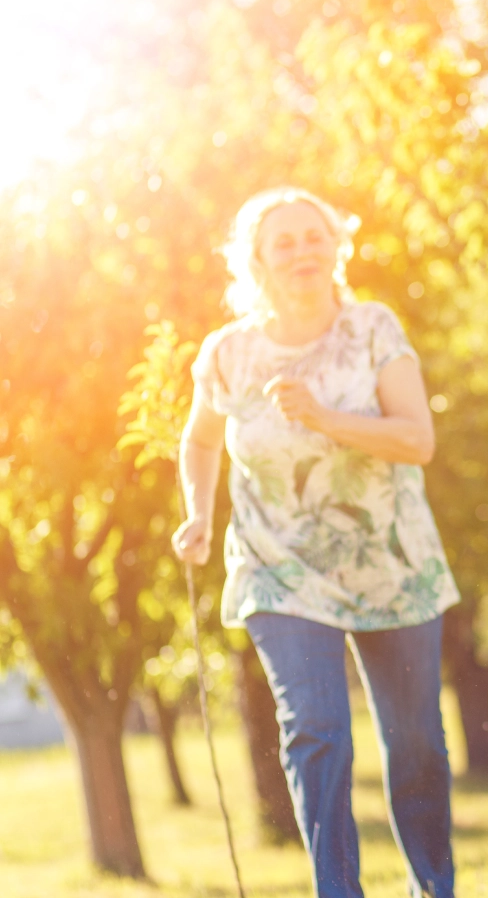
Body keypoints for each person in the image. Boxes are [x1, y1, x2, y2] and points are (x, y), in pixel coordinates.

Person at [172, 187, 459, 898]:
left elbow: (417, 439)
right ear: (257, 263)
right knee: (317, 728)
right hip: (279, 565)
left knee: (415, 741)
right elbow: (201, 439)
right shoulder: (229, 353)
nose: (302, 250)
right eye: (284, 242)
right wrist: (200, 514)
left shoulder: (372, 329)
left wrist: (325, 417)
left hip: (391, 562)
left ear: (336, 247)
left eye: (314, 236)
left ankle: (435, 887)